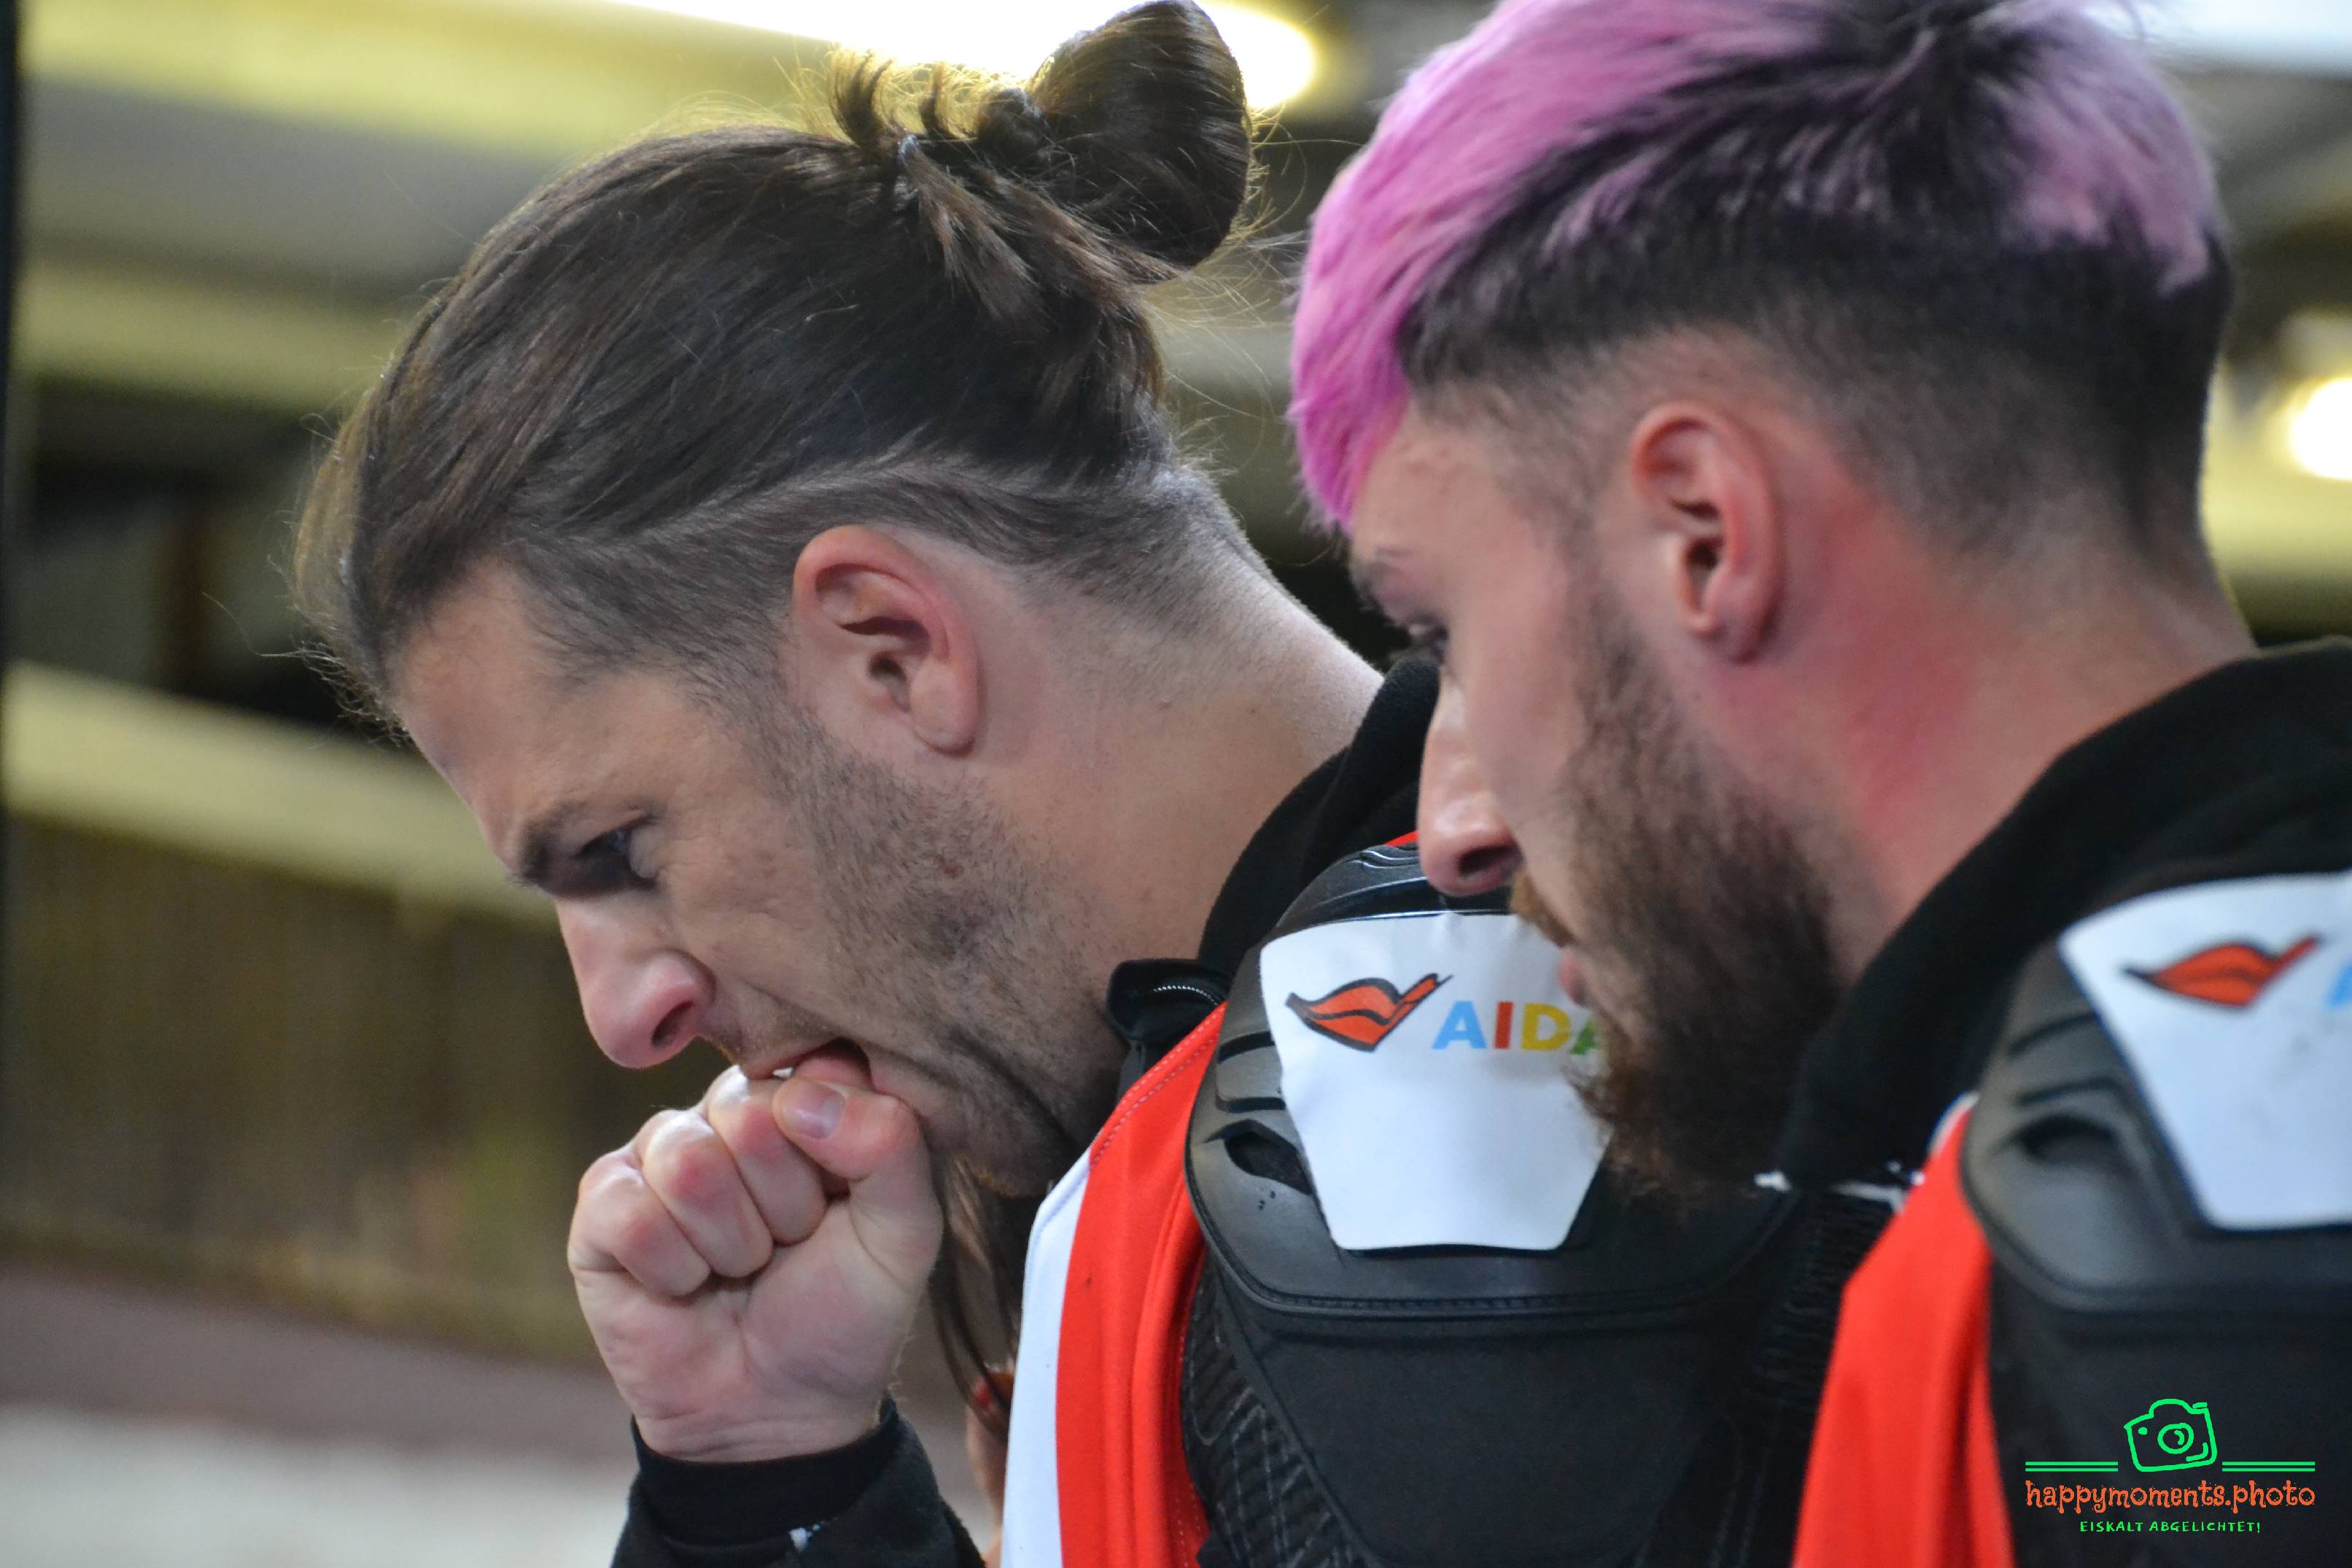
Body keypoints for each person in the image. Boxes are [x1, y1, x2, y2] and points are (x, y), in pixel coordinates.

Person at [293, 5, 1876, 1566]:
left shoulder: (1436, 1130)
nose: (625, 1014)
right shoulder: (1188, 1143)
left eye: (621, 850)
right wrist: (774, 1485)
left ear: (894, 646)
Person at [1292, 0, 2352, 1562]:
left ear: (1703, 534)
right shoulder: (2081, 1155)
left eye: (1443, 631)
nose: (1453, 831)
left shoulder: (2163, 1229)